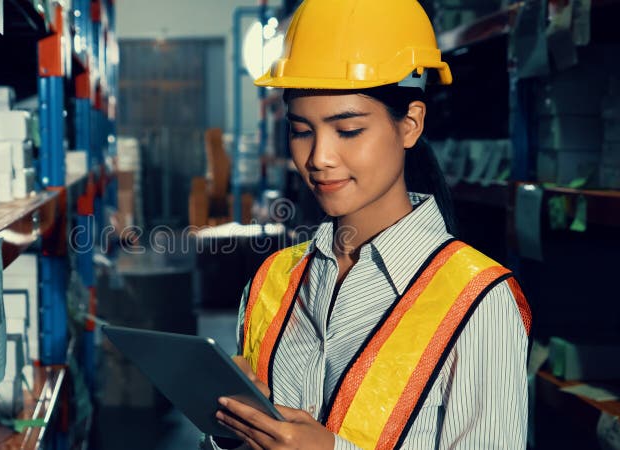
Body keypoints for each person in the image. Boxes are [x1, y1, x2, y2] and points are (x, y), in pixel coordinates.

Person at [203, 0, 532, 449]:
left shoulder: (477, 301)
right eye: (302, 130)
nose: (318, 157)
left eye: (348, 130)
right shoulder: (272, 283)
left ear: (410, 124)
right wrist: (234, 430)